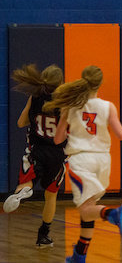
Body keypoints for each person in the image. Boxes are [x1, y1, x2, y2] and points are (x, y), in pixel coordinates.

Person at [47, 65, 122, 263]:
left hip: (81, 161)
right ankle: (79, 256)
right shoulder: (108, 106)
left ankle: (114, 214)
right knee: (88, 210)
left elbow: (58, 139)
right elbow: (121, 134)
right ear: (100, 84)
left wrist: (69, 127)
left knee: (86, 209)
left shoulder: (70, 107)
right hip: (103, 161)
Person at [3, 64, 66, 247]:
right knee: (51, 196)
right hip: (57, 154)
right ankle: (43, 235)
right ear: (61, 83)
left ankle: (22, 192)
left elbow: (21, 122)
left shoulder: (35, 97)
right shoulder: (64, 102)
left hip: (36, 149)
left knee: (26, 182)